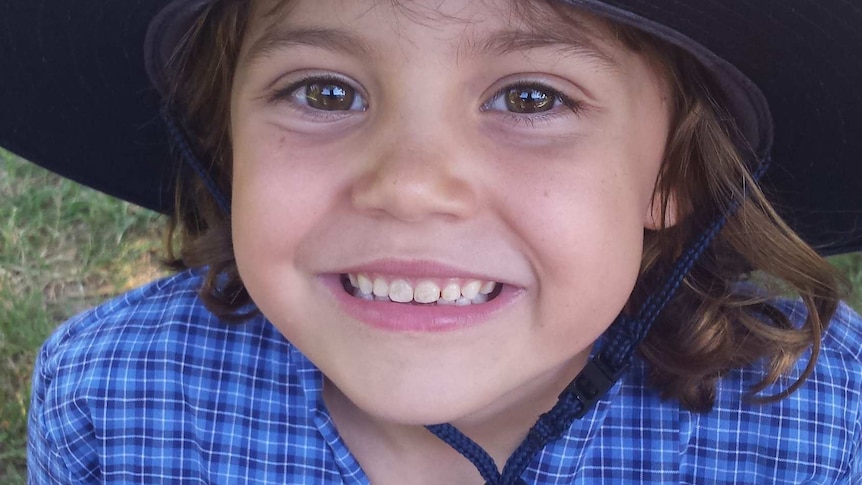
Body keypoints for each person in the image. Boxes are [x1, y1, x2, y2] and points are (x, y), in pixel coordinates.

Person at [2, 0, 861, 483]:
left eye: (531, 99)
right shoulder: (114, 405)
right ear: (226, 140)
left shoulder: (820, 429)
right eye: (326, 92)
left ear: (672, 170)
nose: (409, 185)